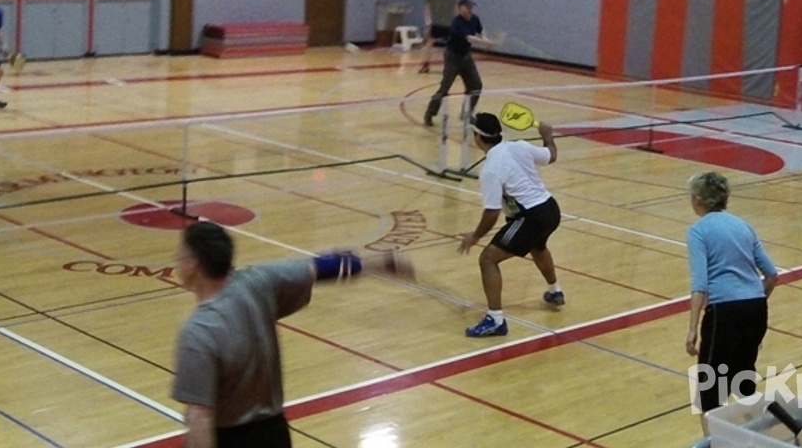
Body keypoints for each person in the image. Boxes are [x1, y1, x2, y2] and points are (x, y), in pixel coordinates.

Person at [171, 221, 413, 448]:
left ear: (194, 264)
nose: (176, 262)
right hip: (275, 435)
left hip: (231, 440)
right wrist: (377, 263)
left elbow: (200, 415)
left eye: (180, 256)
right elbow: (322, 267)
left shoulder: (199, 332)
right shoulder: (259, 283)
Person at [457, 112, 564, 337]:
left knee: (487, 259)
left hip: (530, 217)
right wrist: (548, 136)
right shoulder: (520, 146)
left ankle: (495, 320)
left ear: (478, 137)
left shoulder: (490, 170)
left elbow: (492, 212)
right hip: (551, 209)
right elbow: (551, 155)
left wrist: (475, 236)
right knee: (538, 247)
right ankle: (555, 291)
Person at [685, 171, 778, 416]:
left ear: (698, 199)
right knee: (742, 378)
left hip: (723, 314)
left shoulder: (698, 231)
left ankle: (714, 441)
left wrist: (693, 328)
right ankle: (761, 433)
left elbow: (700, 285)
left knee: (710, 391)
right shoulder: (743, 225)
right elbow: (772, 275)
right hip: (756, 309)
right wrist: (753, 301)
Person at [422, 0, 492, 127]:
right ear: (460, 8)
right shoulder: (456, 23)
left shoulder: (474, 19)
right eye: (468, 7)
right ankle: (429, 114)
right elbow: (469, 38)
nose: (470, 10)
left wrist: (485, 39)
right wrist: (484, 43)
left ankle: (467, 113)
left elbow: (480, 31)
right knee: (445, 88)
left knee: (476, 86)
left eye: (472, 7)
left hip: (466, 57)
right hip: (452, 58)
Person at [419, 0, 458, 74]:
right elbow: (427, 6)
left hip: (449, 22)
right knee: (429, 43)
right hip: (435, 22)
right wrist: (428, 19)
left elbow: (455, 5)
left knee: (452, 45)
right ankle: (425, 65)